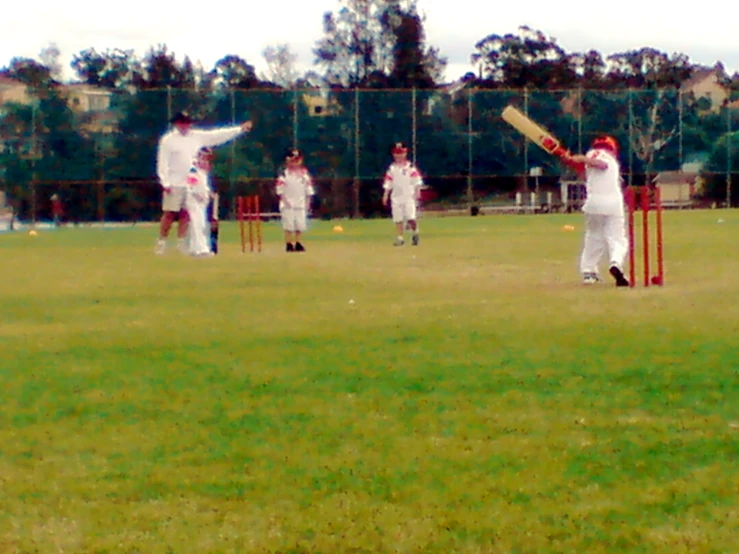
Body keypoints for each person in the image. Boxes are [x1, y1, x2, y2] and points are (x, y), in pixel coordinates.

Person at [155, 111, 252, 255]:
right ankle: (161, 242)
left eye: (187, 123)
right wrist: (165, 182)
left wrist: (239, 129)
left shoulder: (197, 136)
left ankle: (182, 242)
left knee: (187, 214)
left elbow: (217, 135)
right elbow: (163, 161)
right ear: (176, 124)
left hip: (193, 182)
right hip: (175, 182)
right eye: (182, 123)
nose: (185, 126)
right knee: (169, 213)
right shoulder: (168, 140)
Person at [565, 135, 630, 287]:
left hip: (593, 204)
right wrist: (579, 160)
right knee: (617, 238)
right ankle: (616, 263)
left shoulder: (591, 154)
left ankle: (589, 272)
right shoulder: (606, 157)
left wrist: (577, 160)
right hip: (612, 204)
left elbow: (589, 170)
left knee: (593, 237)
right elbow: (601, 164)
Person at [382, 142, 423, 246]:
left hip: (408, 196)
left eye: (401, 153)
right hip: (396, 197)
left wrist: (418, 191)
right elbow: (388, 182)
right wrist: (386, 194)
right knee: (398, 218)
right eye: (396, 153)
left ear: (405, 154)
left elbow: (417, 180)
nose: (398, 156)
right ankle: (400, 238)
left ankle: (415, 232)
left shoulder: (410, 167)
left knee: (411, 218)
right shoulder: (392, 168)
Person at [275, 148, 315, 252]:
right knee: (289, 225)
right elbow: (280, 190)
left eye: (297, 160)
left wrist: (308, 203)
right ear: (287, 161)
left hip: (301, 204)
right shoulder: (284, 174)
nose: (295, 163)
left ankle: (298, 243)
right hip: (287, 205)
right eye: (292, 160)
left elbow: (309, 190)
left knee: (300, 225)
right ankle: (289, 244)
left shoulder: (304, 175)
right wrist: (285, 201)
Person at [185, 147, 214, 257]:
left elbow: (203, 185)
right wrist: (197, 196)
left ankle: (194, 248)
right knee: (199, 224)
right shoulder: (193, 169)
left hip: (201, 201)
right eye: (205, 157)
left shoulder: (202, 172)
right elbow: (190, 185)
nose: (206, 161)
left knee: (196, 224)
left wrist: (208, 192)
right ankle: (202, 250)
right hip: (194, 201)